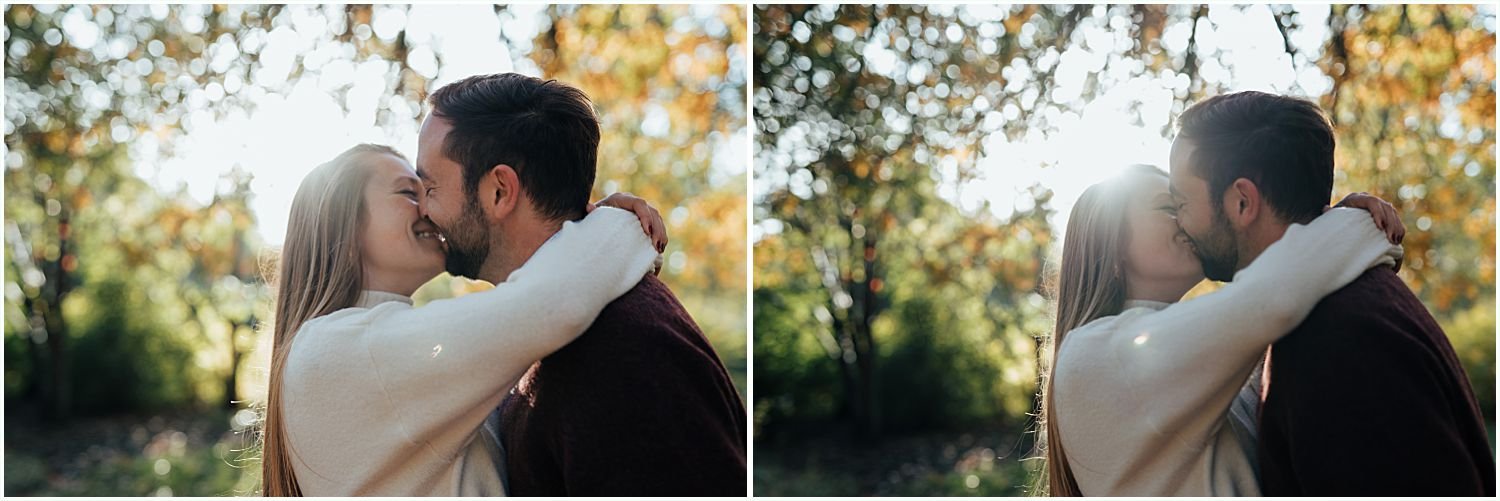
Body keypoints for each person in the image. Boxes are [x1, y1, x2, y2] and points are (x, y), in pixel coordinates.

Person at [259, 143, 666, 496]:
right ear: (342, 228)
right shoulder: (345, 349)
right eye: (407, 192)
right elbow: (547, 306)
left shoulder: (355, 346)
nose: (429, 209)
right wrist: (618, 225)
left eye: (429, 191)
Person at [415, 73, 748, 496]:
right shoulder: (537, 326)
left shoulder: (626, 353)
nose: (421, 210)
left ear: (500, 191)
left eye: (430, 187)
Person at [1170, 90, 1494, 496]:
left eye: (1181, 201)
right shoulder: (1321, 306)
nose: (1177, 222)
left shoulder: (1338, 337)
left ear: (1241, 202)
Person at [1041, 163, 1403, 496]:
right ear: (1113, 244)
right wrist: (1351, 225)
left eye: (1184, 205)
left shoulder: (1198, 370)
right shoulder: (1097, 354)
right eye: (1169, 207)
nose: (1187, 219)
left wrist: (1329, 229)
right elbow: (1275, 295)